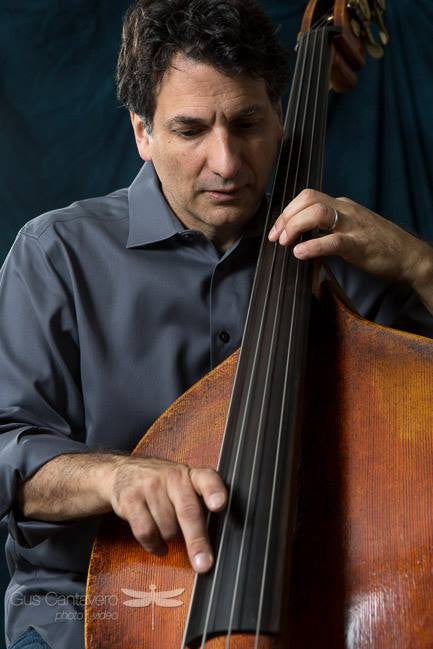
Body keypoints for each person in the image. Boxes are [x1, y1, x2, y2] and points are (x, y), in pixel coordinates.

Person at [1, 0, 433, 648]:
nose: (226, 162)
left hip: (312, 601)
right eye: (190, 130)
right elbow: (6, 449)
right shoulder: (56, 255)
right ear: (143, 132)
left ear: (280, 116)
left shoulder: (343, 250)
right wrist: (113, 476)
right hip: (85, 605)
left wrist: (419, 263)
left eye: (246, 123)